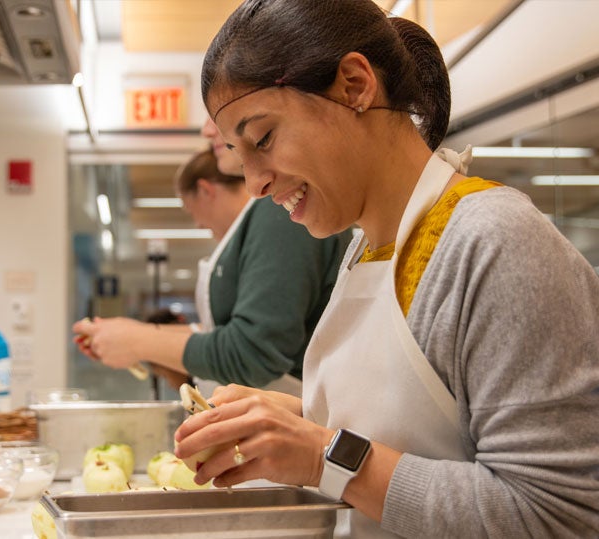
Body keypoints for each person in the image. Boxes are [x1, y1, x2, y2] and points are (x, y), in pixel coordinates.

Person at [174, 1, 599, 538]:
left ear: (354, 85)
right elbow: (430, 436)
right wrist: (294, 419)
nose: (255, 183)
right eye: (239, 156)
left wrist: (319, 454)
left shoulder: (495, 242)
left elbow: (557, 515)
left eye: (263, 139)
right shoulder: (366, 248)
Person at [73, 131, 351, 397]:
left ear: (205, 190)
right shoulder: (261, 223)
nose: (208, 130)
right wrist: (130, 335)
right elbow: (225, 334)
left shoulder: (281, 214)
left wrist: (137, 342)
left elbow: (253, 353)